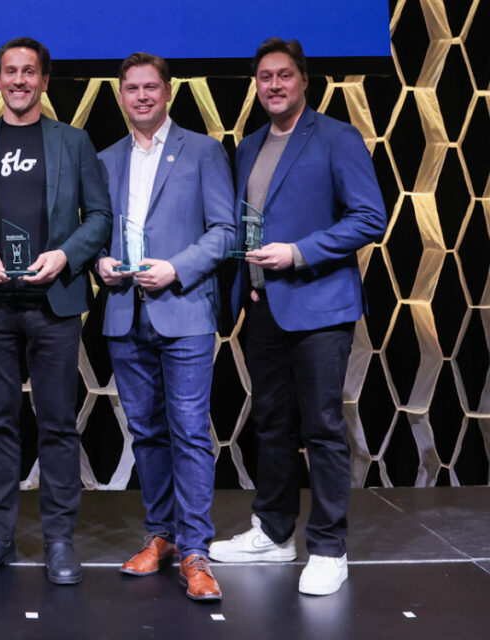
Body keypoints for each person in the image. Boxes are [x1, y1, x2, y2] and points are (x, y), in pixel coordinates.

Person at [208, 38, 386, 596]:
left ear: (304, 80)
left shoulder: (336, 137)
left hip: (320, 308)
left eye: (284, 75)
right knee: (271, 425)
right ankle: (274, 531)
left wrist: (298, 252)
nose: (274, 85)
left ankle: (329, 549)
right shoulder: (249, 146)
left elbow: (370, 217)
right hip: (263, 308)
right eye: (265, 77)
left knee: (323, 429)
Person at [0, 37, 111, 585]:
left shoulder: (74, 141)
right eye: (10, 72)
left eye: (29, 72)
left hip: (54, 302)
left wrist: (66, 255)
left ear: (44, 80)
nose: (19, 80)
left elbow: (100, 216)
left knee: (58, 423)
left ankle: (59, 540)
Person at [96, 53, 235, 601]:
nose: (142, 96)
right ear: (121, 96)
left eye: (151, 87)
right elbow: (95, 231)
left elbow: (225, 231)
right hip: (124, 311)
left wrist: (177, 267)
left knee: (189, 430)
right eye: (132, 88)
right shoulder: (105, 159)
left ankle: (196, 550)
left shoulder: (202, 151)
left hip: (184, 310)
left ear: (169, 91)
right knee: (147, 432)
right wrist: (100, 264)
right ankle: (162, 535)